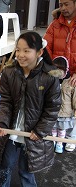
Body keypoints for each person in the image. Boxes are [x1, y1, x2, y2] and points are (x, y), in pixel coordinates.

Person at [0, 32, 61, 187]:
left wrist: (40, 131)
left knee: (26, 170)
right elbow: (5, 101)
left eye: (26, 51)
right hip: (12, 131)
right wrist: (2, 122)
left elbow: (52, 109)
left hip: (33, 134)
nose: (20, 55)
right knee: (5, 165)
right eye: (18, 50)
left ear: (39, 52)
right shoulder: (9, 72)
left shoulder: (50, 77)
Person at [44, 0, 76, 151]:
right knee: (57, 105)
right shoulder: (54, 25)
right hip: (57, 74)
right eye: (60, 4)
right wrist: (52, 68)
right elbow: (45, 47)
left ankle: (72, 137)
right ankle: (56, 137)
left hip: (74, 75)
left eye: (66, 4)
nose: (62, 8)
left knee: (73, 106)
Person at [51, 56, 76, 153]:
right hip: (53, 111)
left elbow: (74, 96)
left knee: (62, 128)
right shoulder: (51, 81)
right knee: (53, 127)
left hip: (65, 112)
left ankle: (60, 144)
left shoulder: (70, 82)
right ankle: (52, 142)